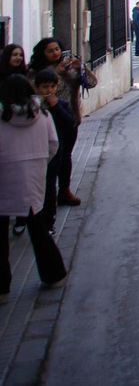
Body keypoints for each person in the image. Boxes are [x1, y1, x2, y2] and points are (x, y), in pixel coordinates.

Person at [0, 74, 67, 298]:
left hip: (5, 177)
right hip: (35, 175)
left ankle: (1, 288)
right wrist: (39, 163)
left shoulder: (2, 117)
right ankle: (54, 273)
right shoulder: (43, 115)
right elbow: (53, 145)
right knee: (37, 228)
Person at [29, 39, 93, 208]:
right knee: (51, 157)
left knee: (66, 156)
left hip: (69, 118)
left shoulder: (70, 68)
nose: (55, 53)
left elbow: (92, 83)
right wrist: (56, 72)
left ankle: (64, 190)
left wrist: (82, 67)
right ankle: (45, 194)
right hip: (45, 119)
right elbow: (33, 89)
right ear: (43, 53)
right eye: (50, 50)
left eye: (57, 49)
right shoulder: (37, 71)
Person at [30, 68, 72, 233]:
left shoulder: (60, 104)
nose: (48, 91)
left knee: (49, 185)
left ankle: (48, 220)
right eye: (44, 87)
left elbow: (69, 123)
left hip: (54, 150)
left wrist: (55, 107)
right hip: (35, 150)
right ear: (36, 88)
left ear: (56, 87)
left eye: (51, 87)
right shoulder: (31, 106)